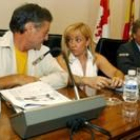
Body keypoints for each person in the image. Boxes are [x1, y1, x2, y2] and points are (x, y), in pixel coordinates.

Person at [0, 3, 68, 89]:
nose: (47, 38)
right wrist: (16, 78)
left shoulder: (42, 51)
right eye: (45, 33)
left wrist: (37, 83)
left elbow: (63, 77)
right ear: (29, 28)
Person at [57, 22, 124, 96]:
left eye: (78, 40)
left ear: (87, 41)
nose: (73, 45)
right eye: (70, 40)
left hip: (91, 100)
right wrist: (87, 80)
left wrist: (118, 78)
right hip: (70, 101)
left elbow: (116, 72)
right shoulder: (62, 60)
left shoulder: (97, 58)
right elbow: (67, 79)